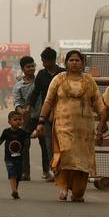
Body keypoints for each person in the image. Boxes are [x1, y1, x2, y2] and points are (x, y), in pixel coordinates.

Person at [35, 50, 106, 202]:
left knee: (81, 160)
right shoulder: (58, 79)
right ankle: (63, 187)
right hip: (63, 126)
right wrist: (41, 121)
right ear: (66, 63)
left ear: (83, 63)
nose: (74, 63)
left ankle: (77, 190)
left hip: (85, 130)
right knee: (64, 155)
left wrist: (102, 122)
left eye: (77, 60)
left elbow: (99, 104)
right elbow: (48, 101)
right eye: (71, 60)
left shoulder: (89, 81)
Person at [26, 47, 66, 181]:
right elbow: (36, 92)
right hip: (47, 114)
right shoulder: (41, 75)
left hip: (64, 113)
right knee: (49, 143)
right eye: (42, 61)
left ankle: (66, 169)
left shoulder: (63, 73)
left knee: (63, 143)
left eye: (45, 61)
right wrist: (29, 106)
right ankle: (54, 169)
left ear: (53, 60)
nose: (43, 64)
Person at [12, 56, 49, 181]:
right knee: (24, 145)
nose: (32, 68)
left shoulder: (40, 80)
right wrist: (21, 111)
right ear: (23, 69)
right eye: (28, 67)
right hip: (28, 119)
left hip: (43, 116)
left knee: (45, 144)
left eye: (33, 66)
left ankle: (47, 171)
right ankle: (25, 173)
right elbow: (17, 103)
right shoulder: (18, 86)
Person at [0, 111, 39, 199]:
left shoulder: (22, 132)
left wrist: (37, 133)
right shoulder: (6, 132)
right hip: (9, 158)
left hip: (19, 158)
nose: (18, 121)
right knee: (12, 172)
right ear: (9, 122)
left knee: (18, 175)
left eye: (20, 119)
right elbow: (0, 141)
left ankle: (15, 190)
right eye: (15, 120)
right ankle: (14, 191)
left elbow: (32, 136)